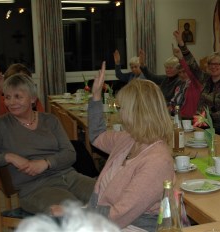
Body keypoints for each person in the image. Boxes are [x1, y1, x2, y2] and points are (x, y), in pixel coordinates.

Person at [0, 73, 95, 214]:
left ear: (33, 99)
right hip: (36, 188)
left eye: (18, 96)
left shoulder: (49, 120)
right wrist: (8, 157)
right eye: (7, 97)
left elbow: (70, 154)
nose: (11, 102)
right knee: (70, 212)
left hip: (71, 178)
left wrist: (46, 163)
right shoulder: (0, 125)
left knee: (112, 197)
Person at [75, 62, 174, 230]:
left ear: (137, 112)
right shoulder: (130, 139)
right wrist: (96, 97)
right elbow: (97, 136)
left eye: (122, 108)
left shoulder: (157, 161)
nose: (119, 112)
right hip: (104, 216)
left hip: (130, 225)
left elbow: (119, 214)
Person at [176, 31, 220, 135]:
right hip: (200, 123)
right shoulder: (206, 79)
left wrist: (203, 117)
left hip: (217, 127)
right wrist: (181, 44)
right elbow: (192, 64)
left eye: (217, 64)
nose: (213, 66)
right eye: (211, 63)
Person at [16, 201, 120, 232]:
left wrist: (48, 163)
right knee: (57, 212)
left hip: (68, 174)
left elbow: (70, 155)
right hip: (38, 185)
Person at [171, 39, 203, 119]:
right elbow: (174, 104)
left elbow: (190, 70)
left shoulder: (195, 83)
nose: (181, 75)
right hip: (179, 117)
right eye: (179, 72)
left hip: (191, 120)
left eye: (184, 72)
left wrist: (180, 57)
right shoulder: (179, 86)